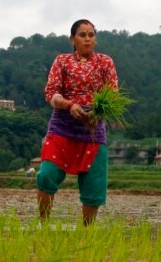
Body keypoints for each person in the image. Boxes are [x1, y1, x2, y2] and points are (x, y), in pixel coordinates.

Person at [36, 19, 119, 226]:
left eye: (91, 35)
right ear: (72, 39)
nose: (87, 39)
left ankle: (86, 233)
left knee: (94, 186)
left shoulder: (105, 62)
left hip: (92, 131)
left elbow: (113, 95)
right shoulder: (62, 61)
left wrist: (98, 112)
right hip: (62, 128)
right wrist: (69, 105)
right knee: (47, 175)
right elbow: (51, 93)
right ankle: (43, 225)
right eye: (82, 35)